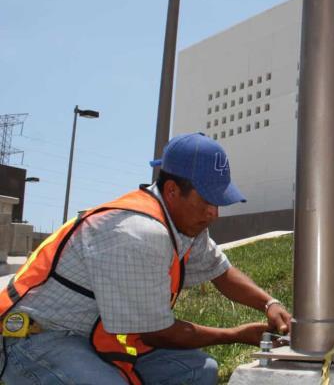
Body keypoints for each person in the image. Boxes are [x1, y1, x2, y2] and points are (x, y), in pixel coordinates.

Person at [0, 132, 291, 385]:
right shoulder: (137, 233)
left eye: (218, 201)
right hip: (37, 338)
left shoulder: (185, 224)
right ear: (172, 191)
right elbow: (157, 333)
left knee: (199, 372)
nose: (214, 213)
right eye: (206, 200)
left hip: (97, 336)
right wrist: (236, 334)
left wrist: (269, 303)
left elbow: (221, 271)